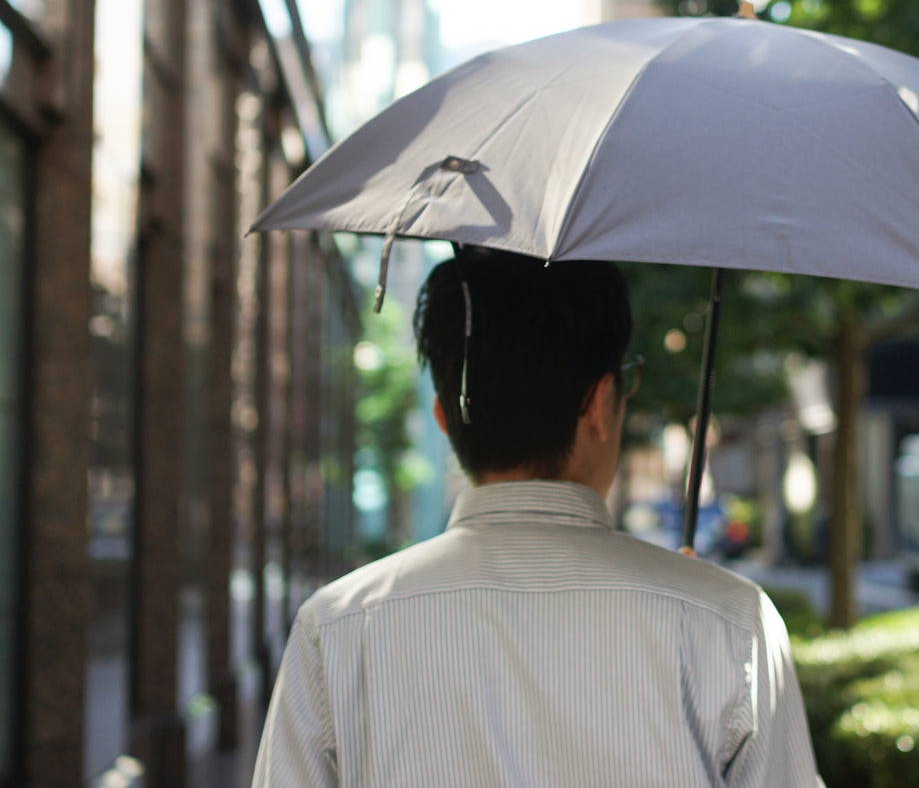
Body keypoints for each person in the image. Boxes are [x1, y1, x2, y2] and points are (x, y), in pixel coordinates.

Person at [251, 248, 823, 786]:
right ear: (601, 405)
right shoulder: (731, 622)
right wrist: (692, 601)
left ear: (445, 419)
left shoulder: (335, 626)